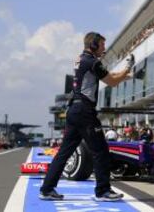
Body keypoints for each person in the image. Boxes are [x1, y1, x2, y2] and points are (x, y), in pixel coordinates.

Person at [39, 32, 134, 201]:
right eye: (102, 45)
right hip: (84, 112)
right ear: (94, 45)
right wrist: (126, 69)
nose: (104, 49)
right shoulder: (92, 62)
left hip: (74, 110)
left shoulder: (81, 59)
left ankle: (47, 189)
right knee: (101, 151)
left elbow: (108, 77)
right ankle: (103, 191)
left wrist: (124, 76)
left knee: (64, 153)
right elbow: (111, 81)